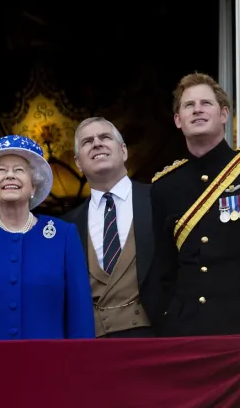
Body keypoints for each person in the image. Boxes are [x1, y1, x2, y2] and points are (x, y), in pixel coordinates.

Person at [151, 72, 240, 336]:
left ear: (224, 115)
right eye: (188, 105)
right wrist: (169, 320)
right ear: (177, 120)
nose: (197, 110)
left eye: (206, 103)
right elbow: (164, 269)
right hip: (188, 329)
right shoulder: (164, 187)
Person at [0, 135, 94, 340]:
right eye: (1, 170)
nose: (9, 176)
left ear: (34, 186)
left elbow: (80, 317)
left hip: (48, 366)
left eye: (19, 170)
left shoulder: (64, 236)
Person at [63, 117, 158, 338]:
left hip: (153, 338)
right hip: (91, 344)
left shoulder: (159, 200)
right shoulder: (67, 225)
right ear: (78, 162)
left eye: (105, 137)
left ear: (123, 151)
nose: (97, 143)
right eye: (87, 141)